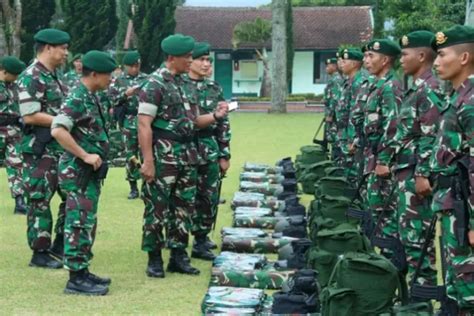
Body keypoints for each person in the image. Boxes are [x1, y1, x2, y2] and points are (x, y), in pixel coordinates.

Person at [137, 34, 228, 278]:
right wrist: (147, 161)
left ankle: (178, 256)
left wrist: (216, 116)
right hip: (163, 157)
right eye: (187, 57)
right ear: (171, 58)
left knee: (183, 208)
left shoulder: (184, 83)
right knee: (157, 209)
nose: (191, 60)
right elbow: (144, 124)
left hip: (188, 156)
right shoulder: (155, 84)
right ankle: (154, 258)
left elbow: (194, 122)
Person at [52, 50, 116, 296]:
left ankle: (83, 271)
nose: (111, 78)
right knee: (78, 222)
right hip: (78, 172)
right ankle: (76, 278)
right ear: (94, 74)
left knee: (87, 220)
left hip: (87, 173)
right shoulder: (77, 97)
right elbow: (58, 130)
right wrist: (84, 154)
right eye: (108, 74)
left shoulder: (91, 96)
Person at [391, 31, 442, 287]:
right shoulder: (418, 88)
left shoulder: (429, 89)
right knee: (409, 237)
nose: (401, 60)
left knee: (418, 238)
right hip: (406, 173)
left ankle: (424, 294)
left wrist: (422, 173)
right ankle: (416, 291)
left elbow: (429, 135)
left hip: (416, 177)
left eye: (405, 54)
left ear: (421, 56)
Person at [430, 25, 474, 313]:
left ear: (464, 57)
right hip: (453, 208)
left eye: (442, 54)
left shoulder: (470, 102)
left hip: (465, 214)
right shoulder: (458, 97)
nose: (435, 62)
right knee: (458, 288)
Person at [18, 28, 70, 269]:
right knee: (40, 199)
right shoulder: (31, 76)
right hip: (40, 150)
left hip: (59, 148)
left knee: (72, 197)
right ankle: (39, 252)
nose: (66, 53)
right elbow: (29, 116)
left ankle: (60, 243)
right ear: (48, 47)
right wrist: (65, 120)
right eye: (63, 48)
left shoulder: (54, 76)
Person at [184, 42, 231, 260]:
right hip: (184, 149)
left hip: (209, 148)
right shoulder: (180, 86)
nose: (205, 64)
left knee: (208, 197)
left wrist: (224, 154)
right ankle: (178, 241)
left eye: (208, 60)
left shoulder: (214, 89)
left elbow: (223, 123)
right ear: (189, 61)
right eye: (201, 60)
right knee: (185, 198)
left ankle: (201, 239)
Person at [363, 39, 403, 254]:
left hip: (383, 165)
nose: (365, 60)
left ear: (385, 60)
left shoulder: (390, 87)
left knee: (386, 216)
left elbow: (392, 125)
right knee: (377, 213)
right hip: (373, 159)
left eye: (371, 56)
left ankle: (390, 267)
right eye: (366, 56)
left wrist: (383, 160)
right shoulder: (378, 84)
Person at [109, 50, 148, 199]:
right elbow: (112, 100)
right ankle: (133, 187)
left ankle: (146, 186)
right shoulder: (119, 81)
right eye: (132, 66)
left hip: (145, 119)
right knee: (130, 155)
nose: (135, 69)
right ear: (126, 66)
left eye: (137, 65)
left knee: (146, 154)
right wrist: (125, 94)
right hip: (129, 120)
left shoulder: (147, 79)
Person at [0, 56, 27, 214]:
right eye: (14, 74)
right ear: (4, 72)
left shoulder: (15, 86)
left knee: (16, 165)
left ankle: (19, 201)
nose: (17, 77)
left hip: (13, 130)